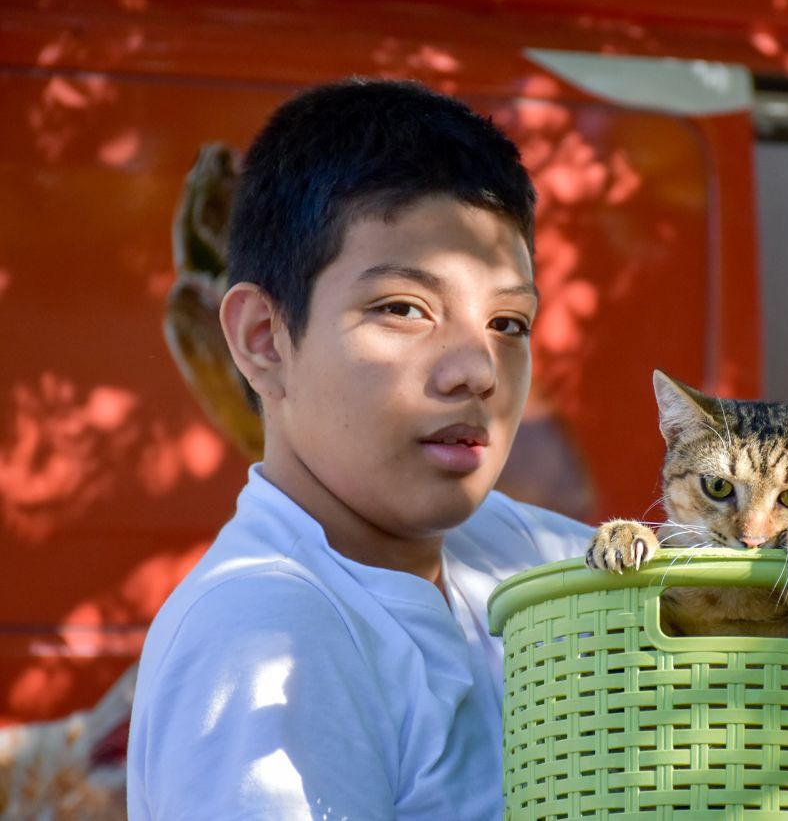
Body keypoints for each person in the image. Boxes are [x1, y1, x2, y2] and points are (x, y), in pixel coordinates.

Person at [126, 78, 591, 818]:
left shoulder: (504, 550)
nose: (477, 370)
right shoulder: (266, 634)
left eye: (509, 323)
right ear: (262, 339)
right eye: (403, 309)